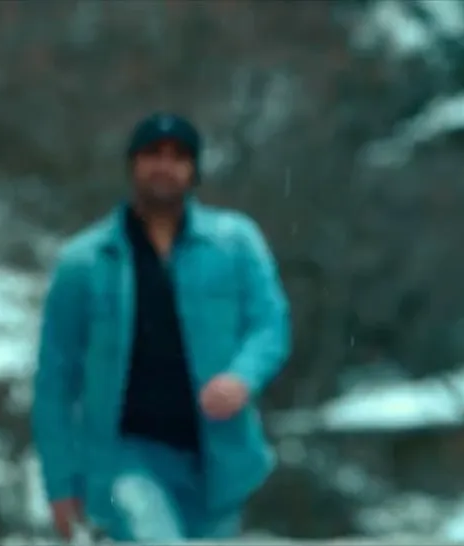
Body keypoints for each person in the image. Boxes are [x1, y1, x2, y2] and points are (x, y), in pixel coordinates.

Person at [31, 113, 291, 542]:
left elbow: (270, 324)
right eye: (153, 154)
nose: (164, 166)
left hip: (217, 458)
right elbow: (55, 381)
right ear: (133, 163)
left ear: (194, 168)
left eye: (178, 156)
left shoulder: (235, 243)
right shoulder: (85, 261)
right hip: (125, 455)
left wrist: (242, 378)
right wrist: (59, 484)